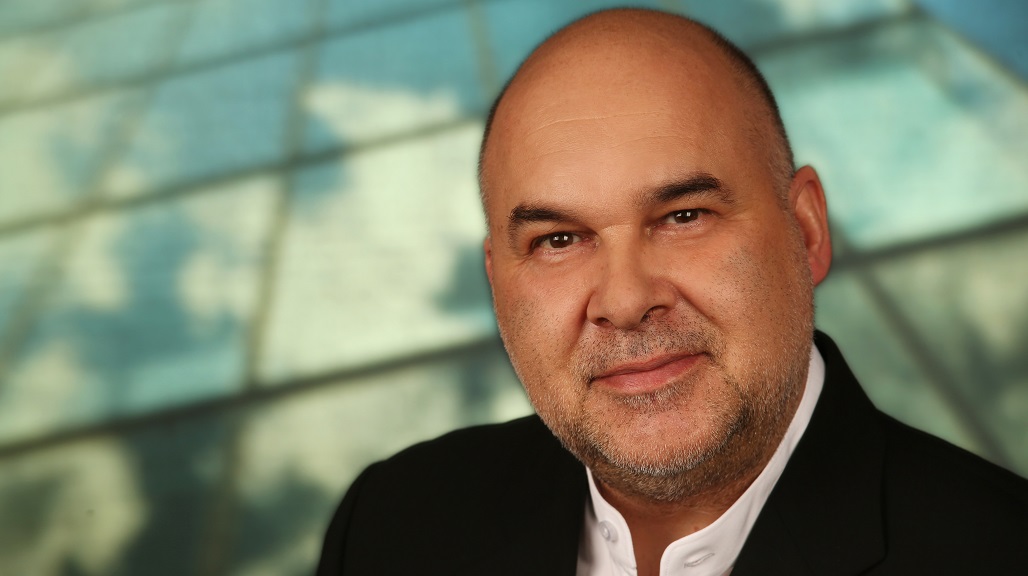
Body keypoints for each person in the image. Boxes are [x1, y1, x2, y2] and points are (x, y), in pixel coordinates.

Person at [316, 8, 1028, 575]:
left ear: (807, 230)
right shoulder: (392, 525)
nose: (626, 301)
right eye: (558, 240)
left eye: (684, 217)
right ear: (496, 283)